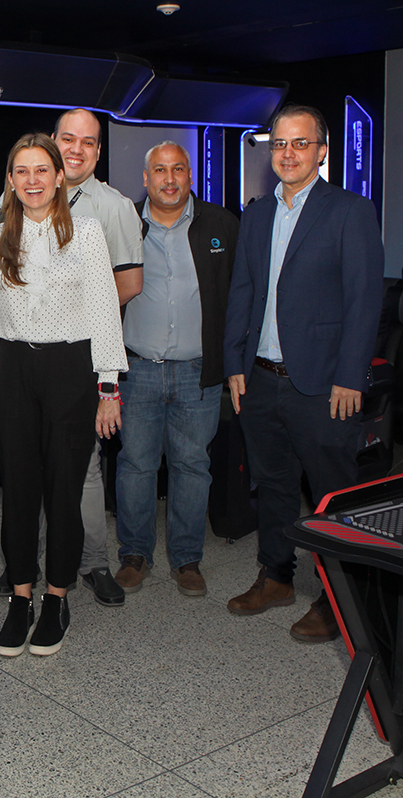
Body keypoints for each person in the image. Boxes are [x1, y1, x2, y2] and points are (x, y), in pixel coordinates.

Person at [222, 103, 383, 643]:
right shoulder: (256, 215)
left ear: (322, 151)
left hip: (323, 384)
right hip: (261, 377)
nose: (287, 153)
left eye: (300, 143)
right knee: (272, 485)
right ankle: (276, 576)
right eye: (279, 144)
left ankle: (339, 598)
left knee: (332, 493)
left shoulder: (350, 211)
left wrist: (351, 376)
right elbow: (242, 292)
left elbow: (364, 300)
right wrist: (235, 363)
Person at [0, 132, 127, 657]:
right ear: (11, 180)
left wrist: (108, 388)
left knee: (64, 490)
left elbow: (104, 311)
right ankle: (21, 597)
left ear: (60, 177)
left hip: (70, 371)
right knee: (17, 490)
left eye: (42, 170)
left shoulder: (87, 232)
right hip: (12, 370)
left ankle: (57, 597)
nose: (32, 180)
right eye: (22, 171)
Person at [113, 143, 239, 596]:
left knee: (192, 467)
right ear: (145, 178)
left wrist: (234, 362)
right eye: (160, 170)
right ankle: (134, 554)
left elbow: (238, 297)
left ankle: (187, 560)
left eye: (178, 169)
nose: (169, 179)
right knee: (136, 466)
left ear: (190, 176)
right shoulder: (124, 223)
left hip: (197, 372)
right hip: (137, 370)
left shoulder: (221, 225)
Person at [46, 107, 144, 607]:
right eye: (68, 139)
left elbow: (130, 284)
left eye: (88, 142)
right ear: (53, 140)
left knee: (83, 466)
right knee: (31, 462)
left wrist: (71, 315)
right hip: (25, 354)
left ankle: (94, 563)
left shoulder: (114, 207)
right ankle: (31, 563)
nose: (76, 149)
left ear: (99, 151)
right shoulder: (21, 191)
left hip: (83, 355)